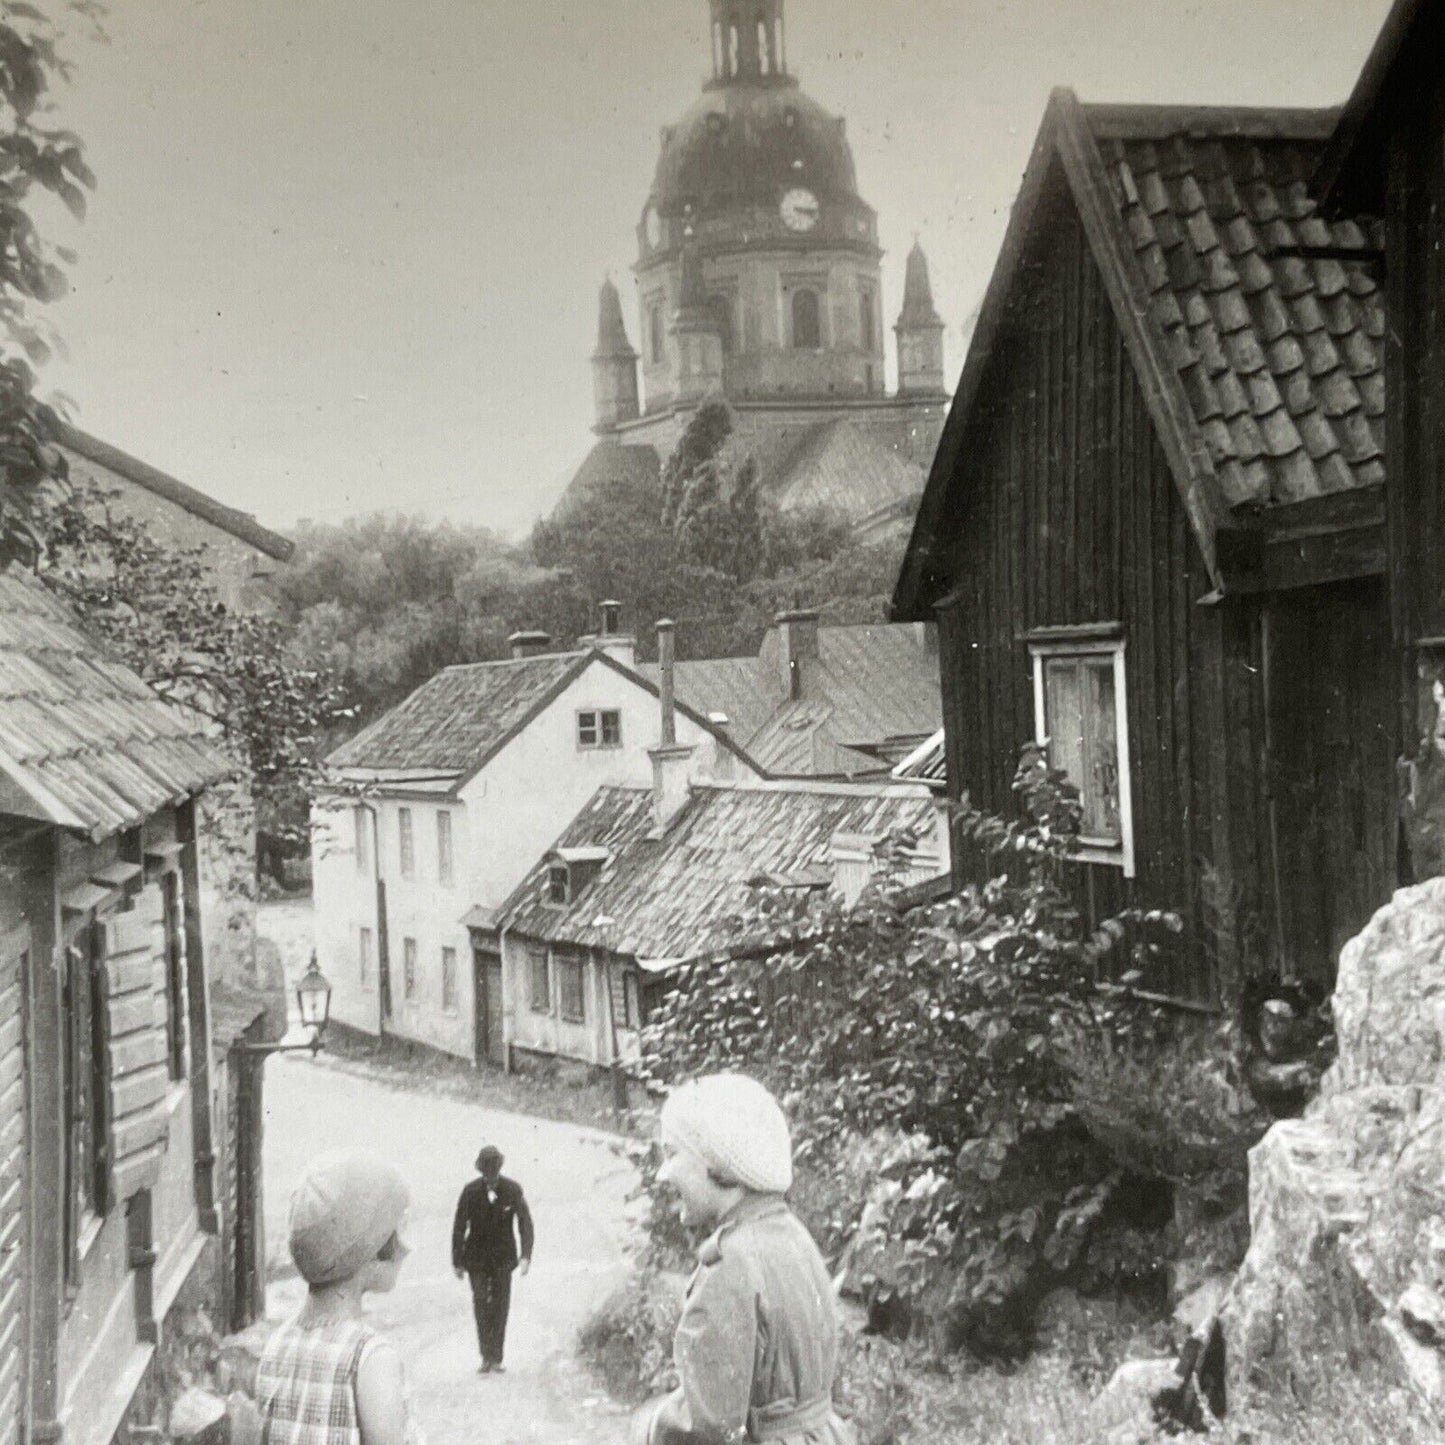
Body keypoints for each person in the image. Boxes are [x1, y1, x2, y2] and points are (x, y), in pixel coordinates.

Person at [632, 1072, 856, 1445]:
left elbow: (707, 1426)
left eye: (672, 1154)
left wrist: (648, 1426)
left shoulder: (730, 1265)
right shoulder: (792, 1236)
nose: (663, 1173)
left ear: (718, 1161)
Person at [254, 1148, 424, 1445]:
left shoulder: (277, 1345)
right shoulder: (370, 1358)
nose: (407, 1249)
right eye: (399, 1231)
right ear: (371, 1250)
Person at [451, 1143, 534, 1373]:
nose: (490, 1176)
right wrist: (457, 1261)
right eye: (486, 1172)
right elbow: (459, 1226)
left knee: (500, 1304)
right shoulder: (469, 1192)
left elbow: (525, 1223)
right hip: (476, 1258)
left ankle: (496, 1356)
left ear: (499, 1168)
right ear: (481, 1171)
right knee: (480, 1302)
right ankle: (485, 1356)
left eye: (494, 1171)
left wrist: (525, 1255)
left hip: (502, 1259)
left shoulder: (513, 1190)